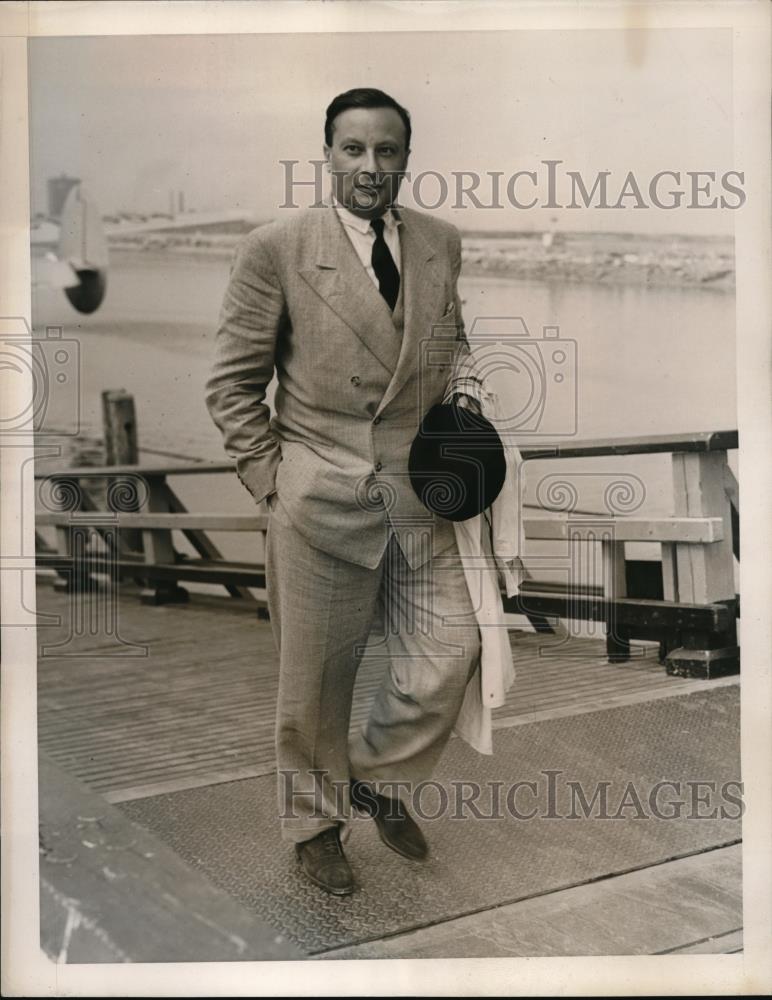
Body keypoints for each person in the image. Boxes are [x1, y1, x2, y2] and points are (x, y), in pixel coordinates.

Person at [205, 87, 485, 896]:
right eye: (353, 149)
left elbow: (452, 344)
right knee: (315, 688)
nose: (370, 167)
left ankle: (379, 777)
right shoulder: (277, 248)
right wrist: (274, 484)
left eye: (386, 151)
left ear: (406, 159)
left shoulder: (439, 241)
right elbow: (231, 386)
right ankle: (315, 828)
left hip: (419, 496)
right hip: (321, 499)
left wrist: (466, 393)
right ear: (327, 155)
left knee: (452, 651)